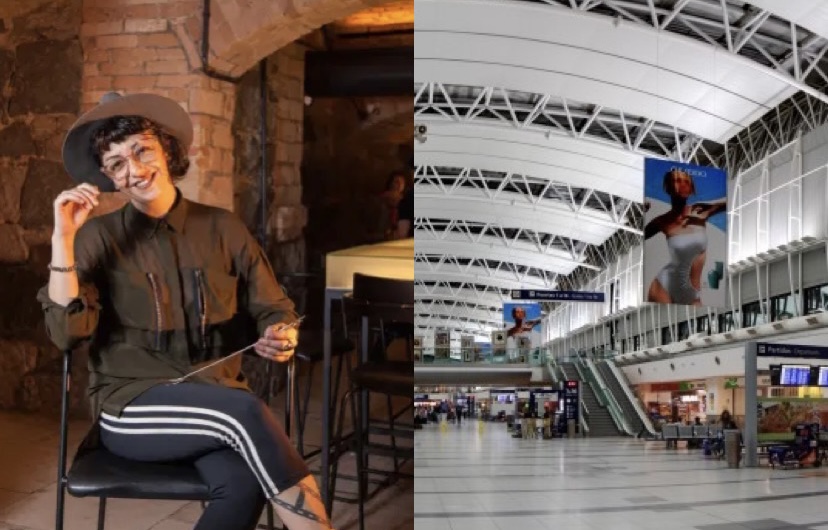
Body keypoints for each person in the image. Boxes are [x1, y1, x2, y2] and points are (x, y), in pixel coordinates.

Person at [36, 92, 333, 530]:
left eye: (142, 150)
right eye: (118, 164)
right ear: (108, 178)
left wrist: (281, 335)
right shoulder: (96, 237)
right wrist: (63, 239)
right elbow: (66, 332)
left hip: (215, 402)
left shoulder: (223, 227)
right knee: (246, 411)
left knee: (244, 482)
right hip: (132, 407)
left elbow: (274, 307)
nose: (134, 170)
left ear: (167, 151)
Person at [644, 169, 726, 305]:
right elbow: (638, 236)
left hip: (692, 294)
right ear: (668, 187)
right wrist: (641, 213)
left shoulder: (700, 210)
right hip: (663, 286)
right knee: (663, 325)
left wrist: (712, 206)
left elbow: (729, 201)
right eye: (677, 180)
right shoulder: (661, 221)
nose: (683, 184)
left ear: (691, 188)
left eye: (687, 181)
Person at [380, 170, 406, 239]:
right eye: (397, 182)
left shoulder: (404, 197)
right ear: (391, 183)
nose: (400, 184)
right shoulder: (386, 196)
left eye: (402, 182)